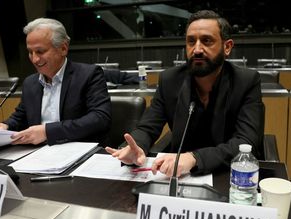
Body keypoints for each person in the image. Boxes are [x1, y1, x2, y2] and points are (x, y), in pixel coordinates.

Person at [105, 10, 264, 177]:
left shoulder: (246, 81)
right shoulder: (170, 80)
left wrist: (194, 158)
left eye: (206, 41)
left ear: (227, 47)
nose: (196, 49)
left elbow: (246, 142)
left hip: (229, 175)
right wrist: (135, 146)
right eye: (190, 41)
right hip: (178, 175)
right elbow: (148, 127)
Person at [0, 18, 111, 146]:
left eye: (40, 51)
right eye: (30, 52)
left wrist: (47, 132)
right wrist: (5, 126)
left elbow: (100, 118)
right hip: (38, 153)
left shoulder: (89, 75)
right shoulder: (30, 83)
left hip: (78, 151)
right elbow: (20, 118)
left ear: (63, 48)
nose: (34, 59)